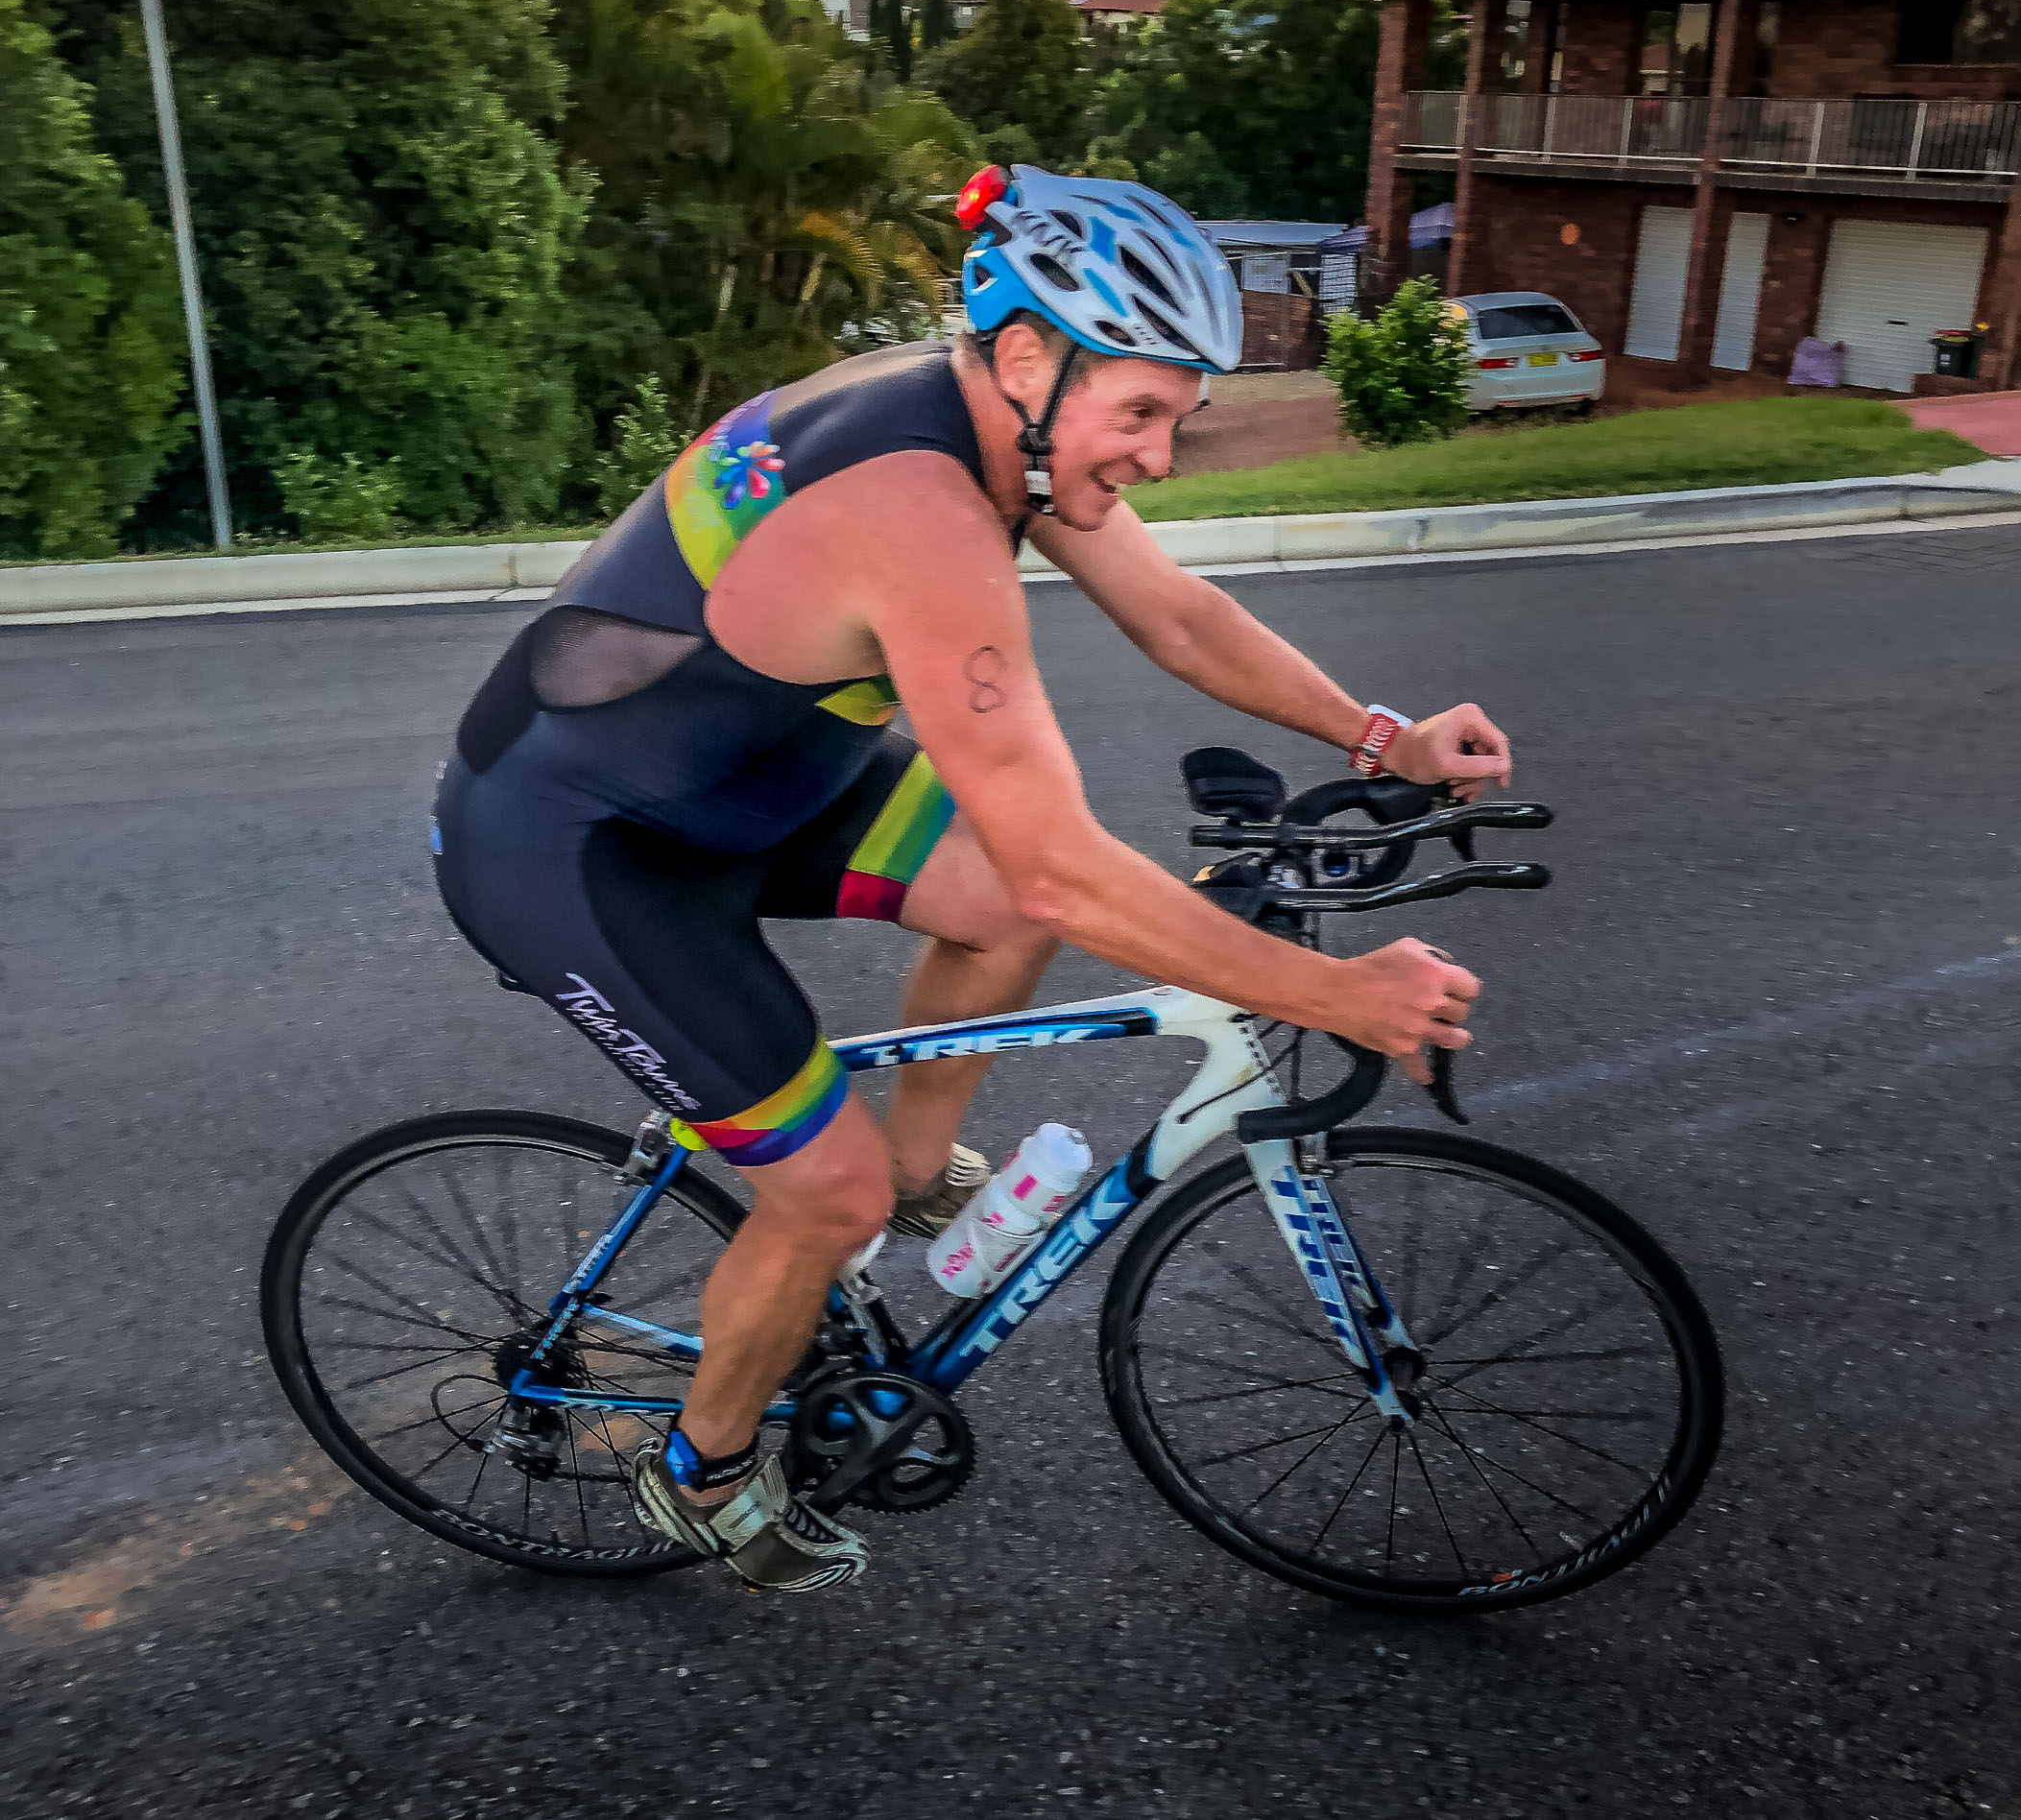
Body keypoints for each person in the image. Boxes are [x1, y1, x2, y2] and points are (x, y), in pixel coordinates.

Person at [431, 165, 1510, 1594]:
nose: (1160, 457)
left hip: (745, 778)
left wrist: (1381, 736)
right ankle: (702, 1471)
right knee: (823, 1192)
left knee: (989, 910)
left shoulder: (1003, 429)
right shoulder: (917, 510)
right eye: (1142, 414)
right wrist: (1330, 991)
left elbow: (1176, 613)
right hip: (576, 845)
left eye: (1177, 418)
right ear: (1027, 359)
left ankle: (916, 1176)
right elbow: (1066, 869)